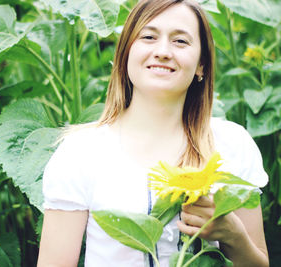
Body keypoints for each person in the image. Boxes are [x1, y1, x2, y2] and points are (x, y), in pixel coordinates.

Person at [37, 0, 269, 266]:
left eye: (180, 41)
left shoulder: (232, 143)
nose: (162, 51)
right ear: (125, 53)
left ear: (201, 65)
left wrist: (234, 235)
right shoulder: (80, 151)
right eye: (148, 37)